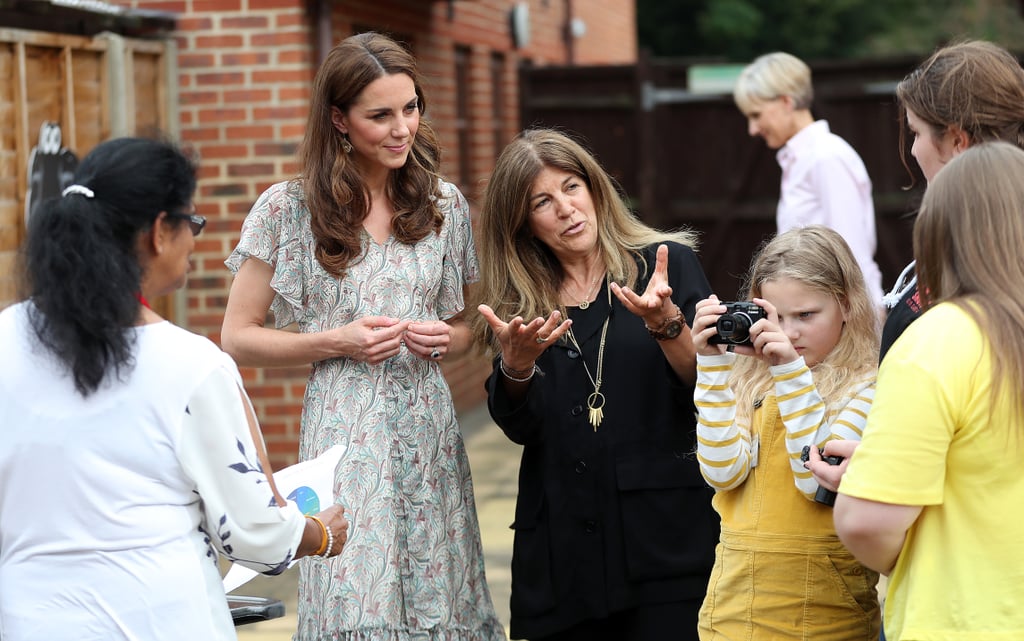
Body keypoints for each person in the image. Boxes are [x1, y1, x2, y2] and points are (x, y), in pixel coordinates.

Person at [0, 137, 349, 641]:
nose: (196, 239)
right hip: (157, 619)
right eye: (193, 222)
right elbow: (255, 534)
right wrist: (318, 535)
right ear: (161, 231)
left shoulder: (7, 340)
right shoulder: (192, 366)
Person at [220, 32, 504, 640]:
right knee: (358, 593)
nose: (402, 128)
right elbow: (237, 337)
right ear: (339, 120)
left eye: (410, 108)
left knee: (441, 590)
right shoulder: (286, 210)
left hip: (429, 429)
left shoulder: (445, 205)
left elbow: (474, 323)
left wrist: (445, 339)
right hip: (346, 434)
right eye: (380, 115)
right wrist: (337, 341)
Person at [472, 128, 719, 641]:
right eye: (542, 200)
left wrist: (668, 324)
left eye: (571, 186)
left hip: (664, 538)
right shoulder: (523, 300)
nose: (565, 208)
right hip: (562, 547)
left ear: (595, 189)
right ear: (523, 224)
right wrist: (516, 367)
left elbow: (709, 386)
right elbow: (522, 427)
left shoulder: (664, 265)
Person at [834, 142, 1024, 638]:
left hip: (962, 619)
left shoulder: (940, 339)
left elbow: (865, 524)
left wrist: (875, 483)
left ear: (938, 233)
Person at [691, 225, 881, 640]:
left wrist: (790, 375)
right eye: (775, 317)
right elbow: (722, 474)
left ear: (847, 305)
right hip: (732, 613)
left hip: (826, 618)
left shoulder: (865, 387)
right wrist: (711, 367)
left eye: (806, 316)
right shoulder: (747, 382)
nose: (789, 334)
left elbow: (817, 480)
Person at [878, 39, 1024, 361]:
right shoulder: (975, 234)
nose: (913, 151)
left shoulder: (984, 253)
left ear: (958, 140)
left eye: (916, 133)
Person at [734, 51, 884, 309]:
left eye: (756, 115)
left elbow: (852, 252)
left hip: (842, 319)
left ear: (786, 102)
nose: (752, 129)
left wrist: (862, 327)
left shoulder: (826, 157)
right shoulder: (802, 159)